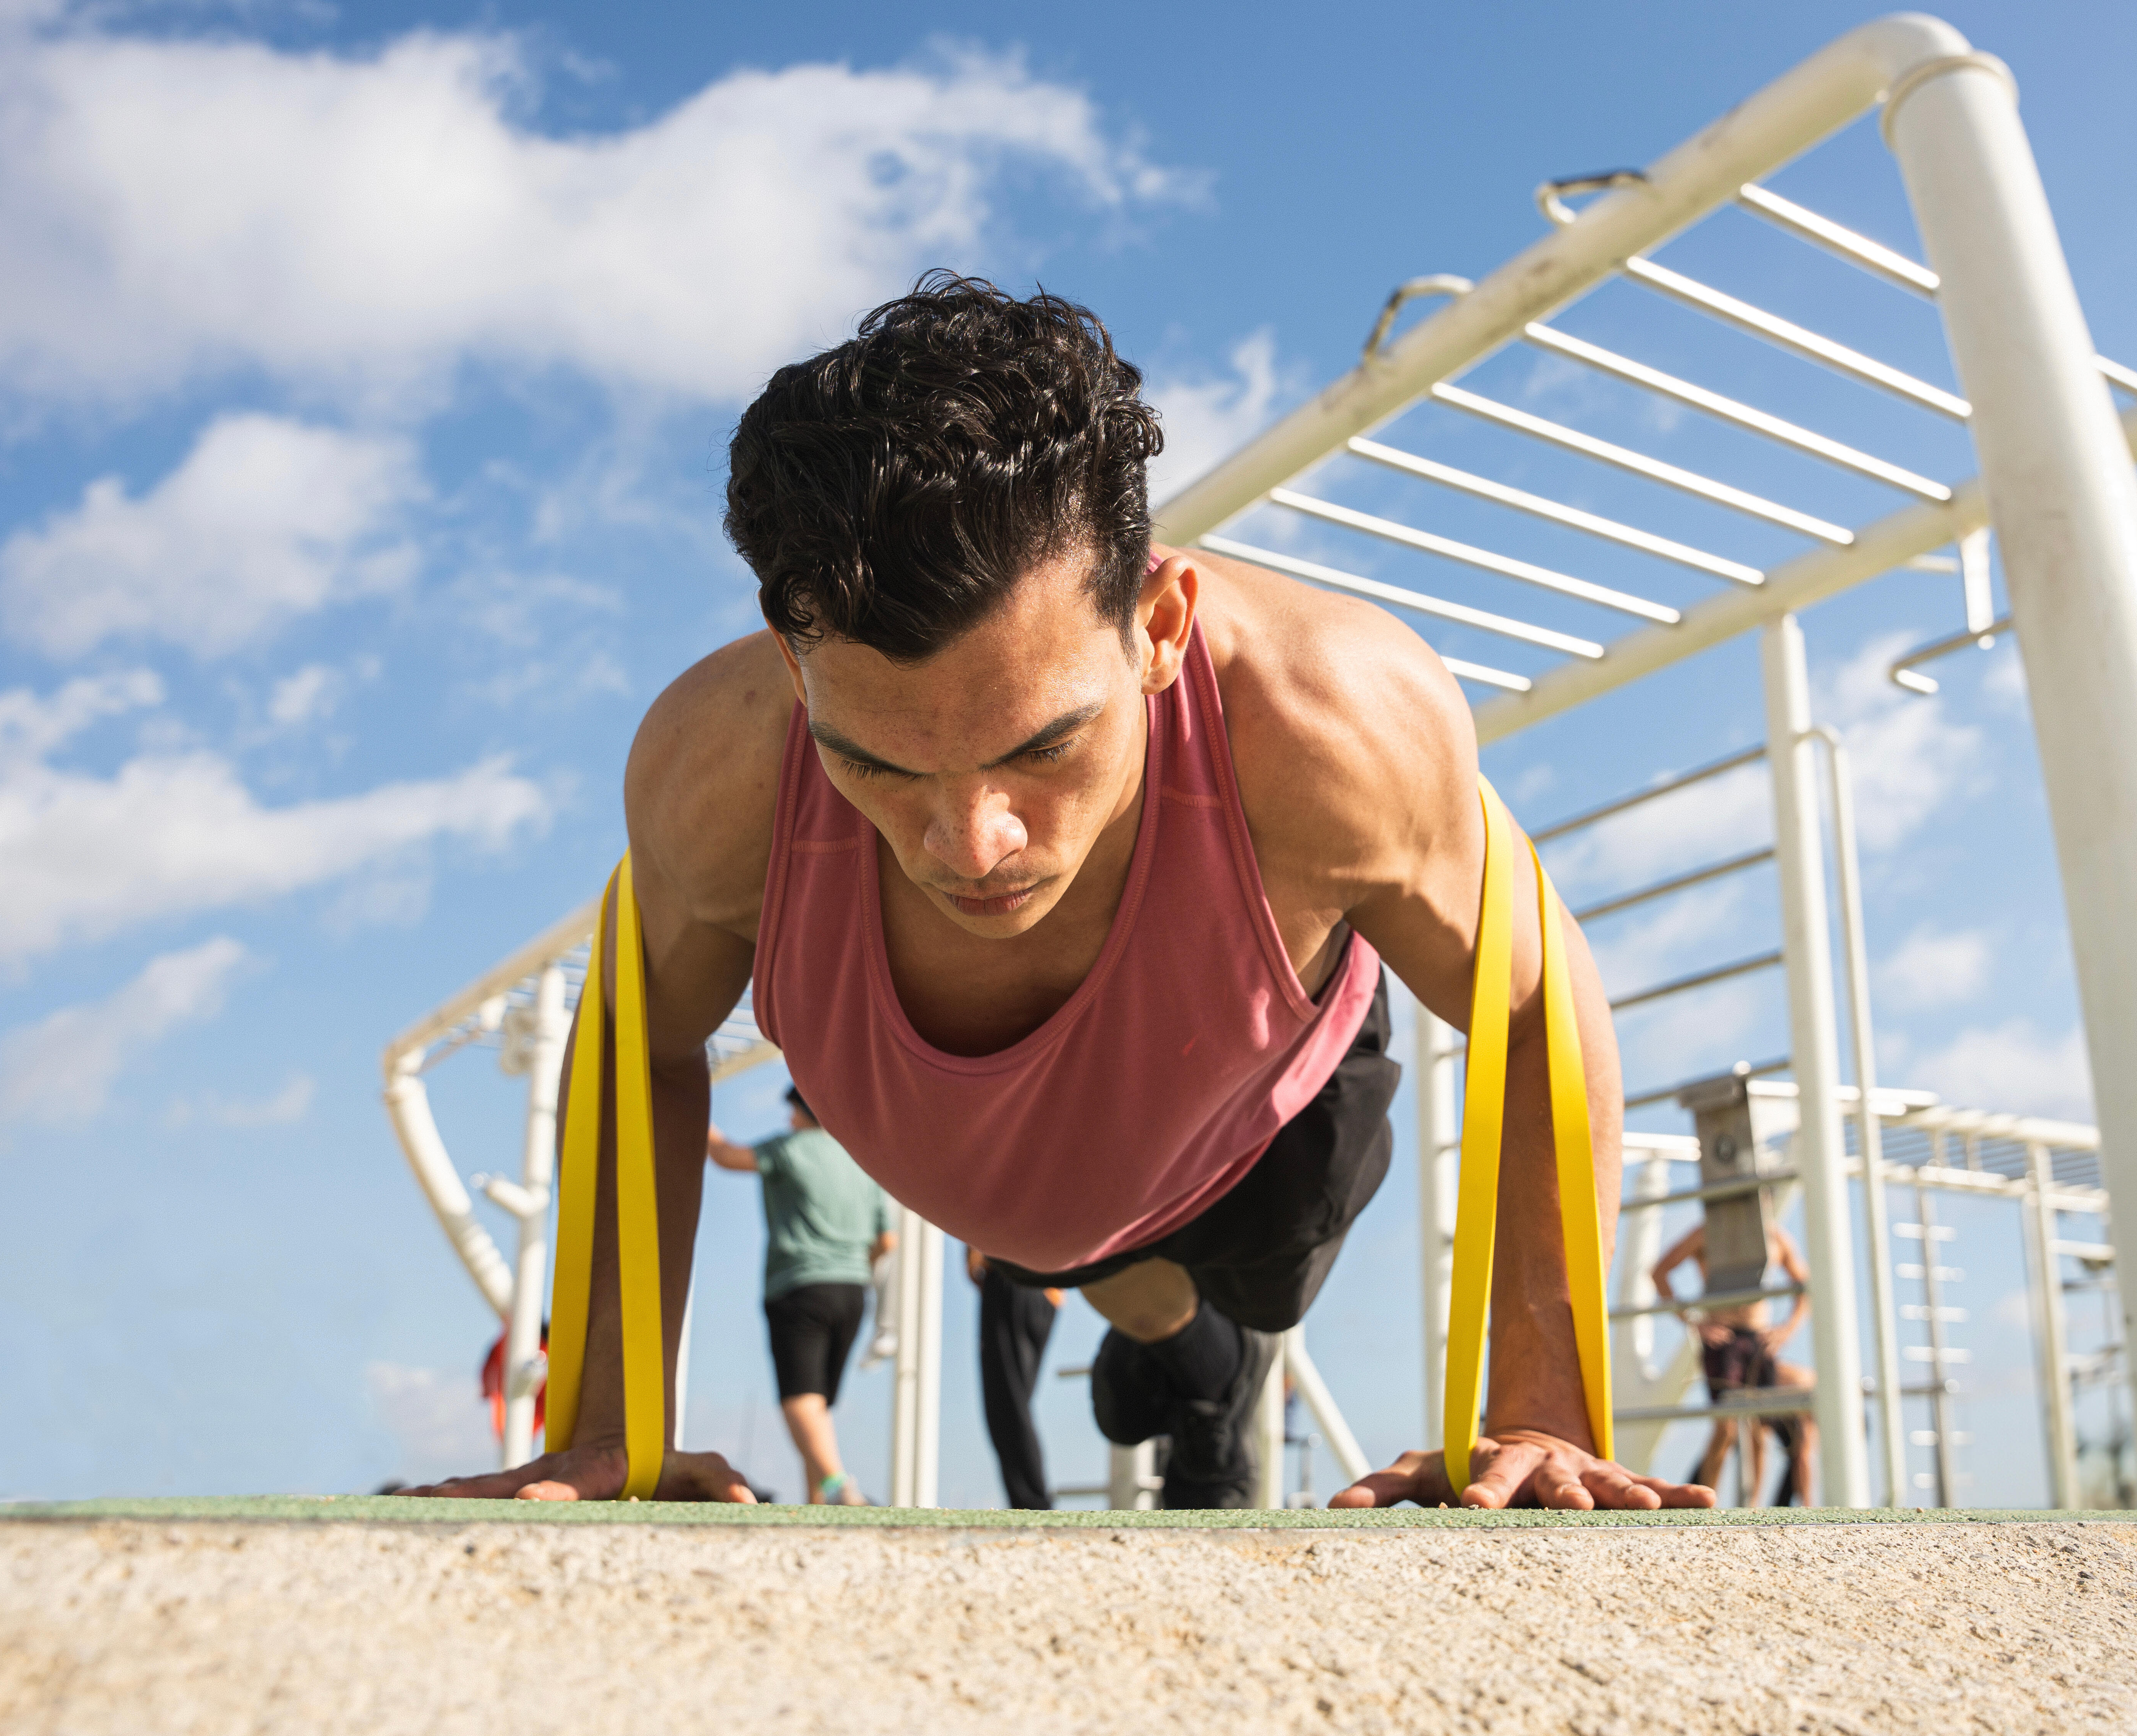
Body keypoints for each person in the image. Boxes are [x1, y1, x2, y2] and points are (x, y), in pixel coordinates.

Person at [406, 272, 1711, 1513]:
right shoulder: (714, 764)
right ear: (798, 674)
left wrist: (1548, 1417)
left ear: (1161, 623)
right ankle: (1190, 1369)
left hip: (1263, 1141)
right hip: (1014, 1186)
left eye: (1042, 746)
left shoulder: (1333, 719)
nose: (970, 843)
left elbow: (1536, 998)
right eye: (877, 761)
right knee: (1096, 1278)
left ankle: (1211, 1371)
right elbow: (639, 1034)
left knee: (1243, 1307)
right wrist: (599, 1428)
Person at [705, 1087, 897, 1504]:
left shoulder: (789, 1149)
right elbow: (887, 1240)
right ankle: (818, 1503)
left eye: (791, 1111)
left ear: (804, 1110)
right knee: (819, 1405)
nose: (788, 1120)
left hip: (800, 1286)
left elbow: (725, 1157)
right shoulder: (861, 1161)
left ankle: (837, 1488)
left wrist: (688, 1105)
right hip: (851, 1293)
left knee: (800, 1399)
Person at [1651, 1220, 1816, 1507]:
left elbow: (1804, 1286)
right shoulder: (1707, 1233)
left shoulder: (1777, 1237)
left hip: (1760, 1339)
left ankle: (1752, 1509)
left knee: (1758, 1432)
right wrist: (1693, 1320)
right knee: (1725, 1427)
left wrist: (1787, 1329)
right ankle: (1704, 1507)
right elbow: (1659, 1272)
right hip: (1722, 1340)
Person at [968, 1246, 1063, 1510]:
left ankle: (1034, 1506)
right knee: (1014, 1404)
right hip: (1047, 1287)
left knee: (1007, 1407)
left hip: (1011, 1277)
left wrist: (975, 1259)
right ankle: (1032, 1504)